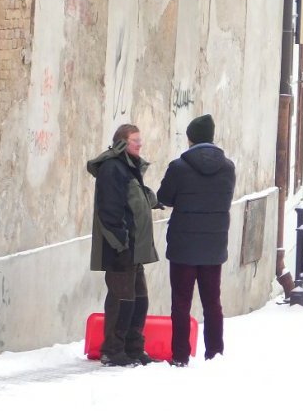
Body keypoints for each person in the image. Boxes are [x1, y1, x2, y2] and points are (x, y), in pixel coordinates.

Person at [157, 114, 236, 366]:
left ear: (190, 138)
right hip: (214, 246)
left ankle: (180, 356)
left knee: (181, 302)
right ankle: (215, 353)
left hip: (183, 247)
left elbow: (165, 197)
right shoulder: (228, 167)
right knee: (212, 301)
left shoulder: (178, 167)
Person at [88, 124, 160, 367]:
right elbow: (109, 211)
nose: (140, 144)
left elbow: (133, 200)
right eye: (135, 140)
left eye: (140, 139)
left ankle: (133, 348)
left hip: (135, 250)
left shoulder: (129, 167)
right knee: (122, 301)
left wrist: (152, 199)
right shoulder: (112, 168)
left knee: (139, 300)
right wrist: (120, 245)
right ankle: (113, 350)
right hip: (121, 250)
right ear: (121, 143)